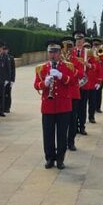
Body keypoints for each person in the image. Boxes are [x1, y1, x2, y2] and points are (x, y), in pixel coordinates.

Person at [34, 40, 74, 170]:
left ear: (60, 53)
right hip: (48, 106)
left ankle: (60, 159)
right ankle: (50, 158)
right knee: (48, 134)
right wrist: (44, 84)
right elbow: (36, 85)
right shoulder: (42, 68)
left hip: (63, 106)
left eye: (55, 52)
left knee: (62, 135)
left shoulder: (68, 66)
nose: (53, 55)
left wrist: (61, 76)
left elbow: (73, 82)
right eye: (50, 52)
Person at [62, 36, 83, 152]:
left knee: (72, 119)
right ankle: (62, 141)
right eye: (65, 47)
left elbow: (80, 74)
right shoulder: (60, 60)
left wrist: (71, 68)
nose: (68, 50)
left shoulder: (76, 60)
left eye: (70, 47)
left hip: (73, 93)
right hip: (62, 94)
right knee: (63, 120)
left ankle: (71, 141)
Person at [92, 38, 103, 113]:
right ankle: (92, 107)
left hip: (100, 75)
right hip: (92, 75)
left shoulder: (101, 51)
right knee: (92, 93)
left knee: (99, 92)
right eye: (94, 45)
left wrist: (100, 53)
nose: (96, 46)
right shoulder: (89, 52)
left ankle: (98, 107)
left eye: (97, 45)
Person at [3, 44, 15, 113]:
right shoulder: (0, 57)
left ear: (8, 50)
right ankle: (2, 107)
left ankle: (7, 107)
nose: (4, 51)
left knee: (8, 94)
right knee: (1, 94)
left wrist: (12, 80)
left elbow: (13, 70)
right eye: (3, 49)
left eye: (5, 49)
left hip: (9, 79)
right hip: (2, 79)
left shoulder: (10, 58)